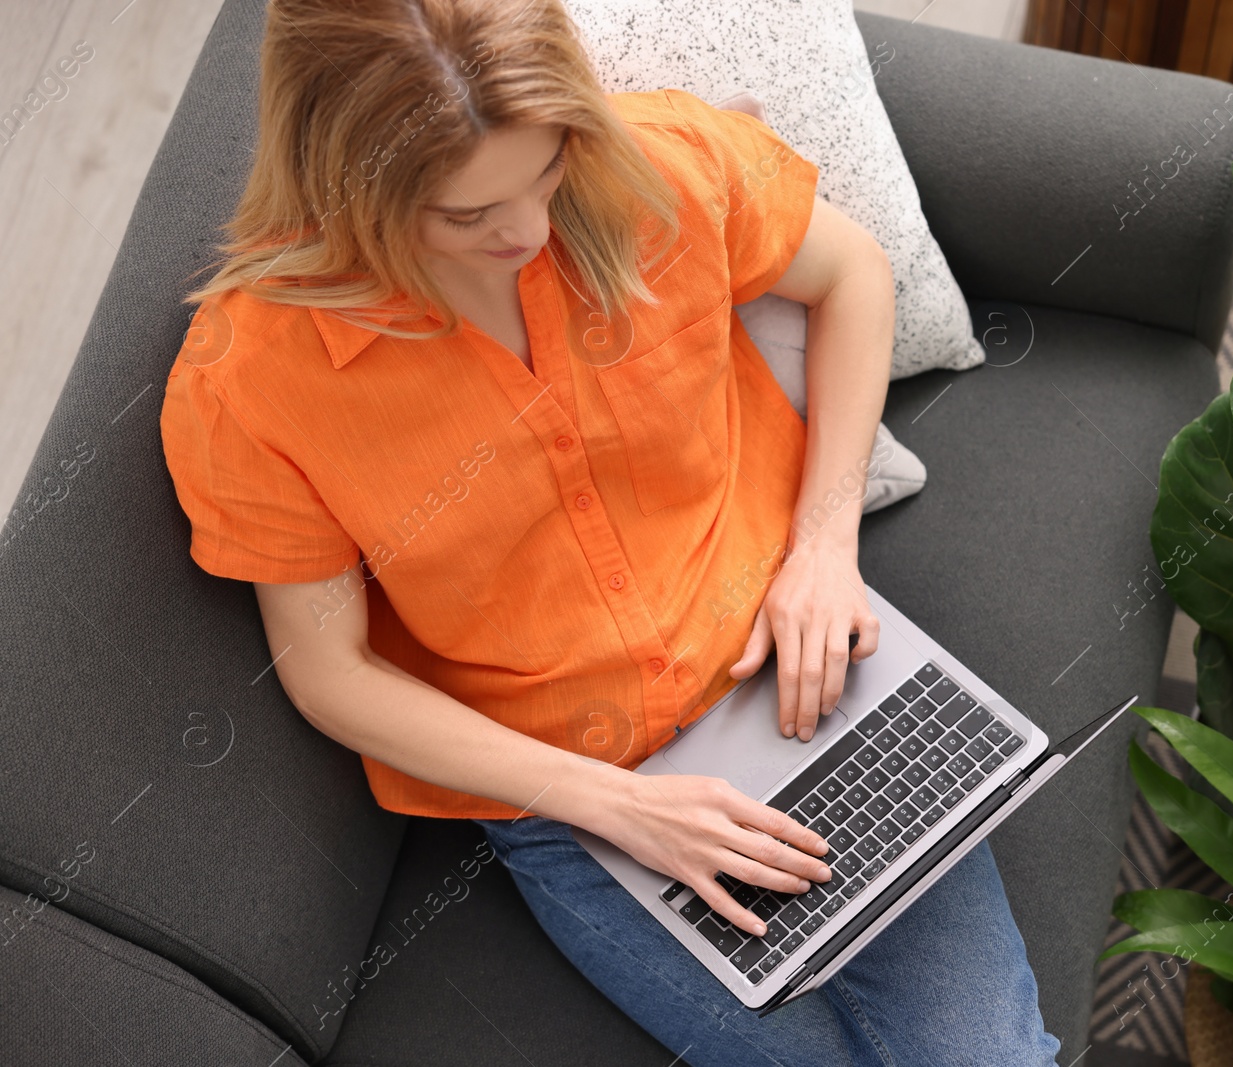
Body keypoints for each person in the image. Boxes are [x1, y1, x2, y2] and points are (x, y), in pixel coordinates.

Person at [159, 1, 1062, 1063]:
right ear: (340, 185)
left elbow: (852, 273)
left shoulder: (657, 164)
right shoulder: (254, 384)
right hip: (577, 802)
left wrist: (824, 546)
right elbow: (330, 673)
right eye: (466, 213)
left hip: (800, 686)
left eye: (544, 175)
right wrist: (622, 808)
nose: (530, 232)